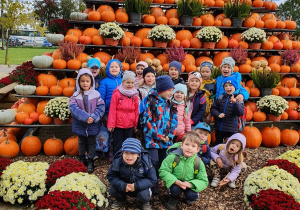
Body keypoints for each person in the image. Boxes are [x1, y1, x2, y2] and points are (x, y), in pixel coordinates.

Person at [142, 75, 178, 194]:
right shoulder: (150, 102)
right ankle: (152, 182)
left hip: (166, 140)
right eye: (169, 90)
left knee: (164, 161)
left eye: (172, 90)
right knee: (153, 161)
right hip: (152, 140)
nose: (171, 93)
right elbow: (148, 121)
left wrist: (170, 135)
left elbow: (174, 120)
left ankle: (162, 181)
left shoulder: (170, 104)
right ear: (162, 89)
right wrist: (158, 136)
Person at [159, 132, 208, 209]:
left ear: (197, 149)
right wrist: (175, 181)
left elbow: (204, 181)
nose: (189, 148)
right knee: (175, 190)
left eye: (193, 146)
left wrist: (190, 184)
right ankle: (173, 198)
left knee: (191, 196)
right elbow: (163, 171)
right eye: (187, 144)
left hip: (189, 182)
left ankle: (190, 197)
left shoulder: (198, 162)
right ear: (182, 145)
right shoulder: (173, 157)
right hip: (175, 182)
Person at [69, 68, 105, 173]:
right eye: (82, 81)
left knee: (92, 143)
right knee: (81, 142)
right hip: (80, 124)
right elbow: (74, 109)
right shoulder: (75, 96)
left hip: (93, 125)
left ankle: (90, 160)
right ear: (78, 82)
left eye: (87, 81)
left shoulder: (96, 95)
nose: (85, 83)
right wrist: (85, 117)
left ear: (91, 82)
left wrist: (93, 117)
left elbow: (101, 107)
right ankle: (81, 158)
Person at [106, 138, 157, 210]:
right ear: (122, 153)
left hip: (140, 187)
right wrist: (123, 185)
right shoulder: (118, 161)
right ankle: (120, 200)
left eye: (132, 153)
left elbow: (152, 179)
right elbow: (111, 176)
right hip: (124, 186)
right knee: (113, 190)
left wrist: (136, 186)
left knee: (144, 195)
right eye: (126, 152)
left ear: (138, 154)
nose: (128, 157)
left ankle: (144, 203)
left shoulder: (146, 162)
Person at [107, 71, 139, 156]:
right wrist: (111, 124)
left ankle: (126, 160)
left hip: (130, 124)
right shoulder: (117, 93)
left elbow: (136, 110)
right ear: (123, 82)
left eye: (132, 83)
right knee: (118, 143)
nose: (130, 85)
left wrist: (136, 125)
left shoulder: (135, 95)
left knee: (128, 144)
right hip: (118, 124)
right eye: (127, 82)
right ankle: (117, 160)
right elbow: (112, 109)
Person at [210, 76, 245, 146]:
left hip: (231, 129)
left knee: (230, 145)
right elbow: (213, 108)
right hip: (219, 127)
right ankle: (217, 156)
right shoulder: (221, 97)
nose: (228, 88)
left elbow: (240, 112)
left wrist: (235, 103)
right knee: (218, 144)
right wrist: (218, 114)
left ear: (235, 87)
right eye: (226, 86)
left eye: (230, 85)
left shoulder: (238, 99)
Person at [98, 59, 122, 125]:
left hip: (121, 111)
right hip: (108, 111)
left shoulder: (123, 81)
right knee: (109, 126)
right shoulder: (104, 82)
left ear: (120, 69)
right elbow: (101, 97)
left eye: (116, 67)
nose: (114, 68)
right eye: (111, 67)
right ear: (108, 69)